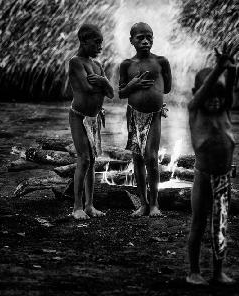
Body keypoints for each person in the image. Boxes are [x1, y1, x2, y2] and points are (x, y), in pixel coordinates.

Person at [186, 43, 238, 285]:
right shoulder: (195, 111)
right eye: (210, 96)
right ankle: (194, 271)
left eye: (220, 96)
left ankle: (218, 272)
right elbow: (206, 92)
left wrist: (231, 69)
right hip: (203, 177)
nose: (215, 101)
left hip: (223, 178)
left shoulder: (224, 112)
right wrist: (218, 69)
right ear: (199, 92)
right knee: (198, 224)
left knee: (220, 226)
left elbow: (229, 92)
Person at [119, 22, 172, 217]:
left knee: (151, 156)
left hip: (154, 115)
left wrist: (153, 95)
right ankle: (143, 204)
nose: (145, 40)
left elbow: (167, 89)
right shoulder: (127, 64)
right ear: (131, 40)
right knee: (138, 158)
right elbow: (121, 93)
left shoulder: (161, 61)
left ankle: (155, 203)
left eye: (149, 36)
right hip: (134, 115)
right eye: (140, 37)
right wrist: (134, 85)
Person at [68, 24, 114, 220]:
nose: (100, 47)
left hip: (94, 118)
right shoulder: (75, 62)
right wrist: (101, 85)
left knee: (92, 161)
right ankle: (76, 207)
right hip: (79, 115)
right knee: (84, 159)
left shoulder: (98, 65)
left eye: (101, 43)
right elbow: (86, 88)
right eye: (96, 42)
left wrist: (103, 82)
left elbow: (111, 93)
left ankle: (89, 205)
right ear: (84, 41)